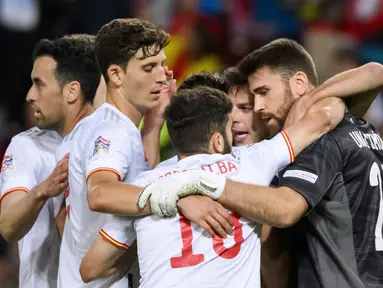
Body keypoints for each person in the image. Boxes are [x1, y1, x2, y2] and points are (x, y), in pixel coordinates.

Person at [145, 39, 383, 288]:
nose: (258, 108)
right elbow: (374, 72)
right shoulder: (361, 126)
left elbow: (284, 212)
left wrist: (203, 184)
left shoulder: (320, 141)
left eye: (262, 93)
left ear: (299, 84)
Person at [80, 86, 345, 287]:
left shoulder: (146, 186)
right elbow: (328, 114)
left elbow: (91, 269)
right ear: (218, 140)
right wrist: (308, 99)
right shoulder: (251, 162)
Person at [58, 18, 172, 288]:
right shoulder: (112, 131)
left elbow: (138, 178)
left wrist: (154, 123)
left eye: (161, 64)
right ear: (116, 75)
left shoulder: (107, 125)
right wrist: (174, 198)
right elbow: (100, 193)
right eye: (148, 68)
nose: (162, 75)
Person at [0, 34, 101, 288]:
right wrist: (42, 191)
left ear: (71, 90)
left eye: (39, 84)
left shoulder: (109, 141)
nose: (30, 95)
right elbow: (8, 227)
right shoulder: (26, 146)